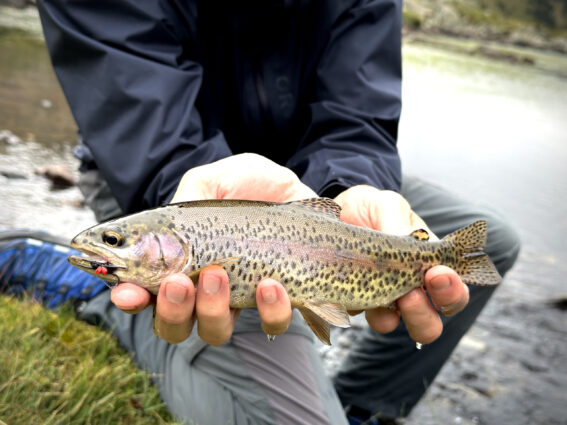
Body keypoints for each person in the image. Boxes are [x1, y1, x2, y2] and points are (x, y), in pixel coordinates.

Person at [16, 0, 518, 423]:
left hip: (301, 175)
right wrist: (197, 197)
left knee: (491, 241)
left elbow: (357, 115)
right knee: (175, 304)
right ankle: (97, 294)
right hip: (154, 174)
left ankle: (364, 406)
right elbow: (137, 116)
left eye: (114, 243)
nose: (110, 244)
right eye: (114, 245)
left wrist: (347, 187)